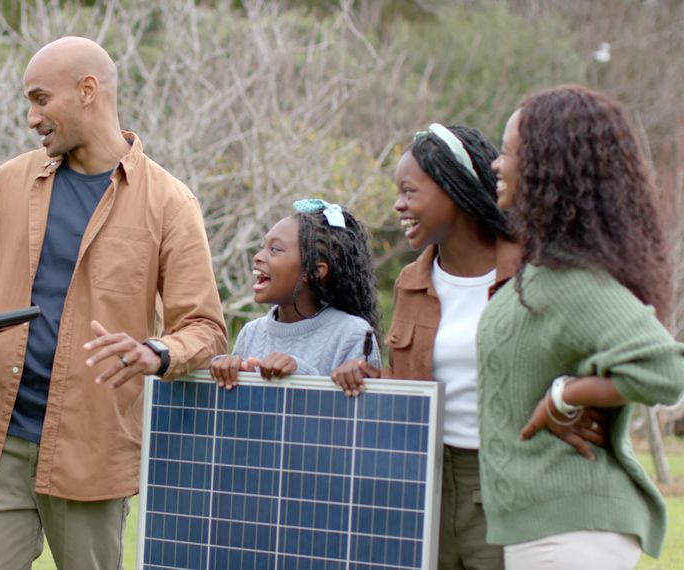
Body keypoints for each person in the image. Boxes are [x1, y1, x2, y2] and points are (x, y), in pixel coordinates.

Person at [0, 37, 227, 569]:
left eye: (40, 99)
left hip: (93, 453)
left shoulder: (170, 202)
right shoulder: (11, 182)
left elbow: (204, 327)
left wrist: (157, 351)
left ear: (87, 91)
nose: (31, 118)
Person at [479, 85, 684, 569]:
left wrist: (565, 396)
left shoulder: (575, 282)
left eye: (508, 151)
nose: (496, 164)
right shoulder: (541, 274)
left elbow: (666, 370)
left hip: (571, 531)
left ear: (547, 167)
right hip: (547, 530)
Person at [331, 123, 526, 570]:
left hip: (506, 488)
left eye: (409, 191)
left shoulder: (531, 274)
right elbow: (411, 389)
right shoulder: (410, 284)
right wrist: (371, 381)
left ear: (454, 190)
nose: (398, 205)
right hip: (424, 487)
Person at [209, 199, 381, 388]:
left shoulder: (352, 334)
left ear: (315, 271)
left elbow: (358, 412)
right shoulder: (251, 333)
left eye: (275, 249)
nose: (258, 257)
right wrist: (228, 371)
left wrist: (299, 375)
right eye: (262, 246)